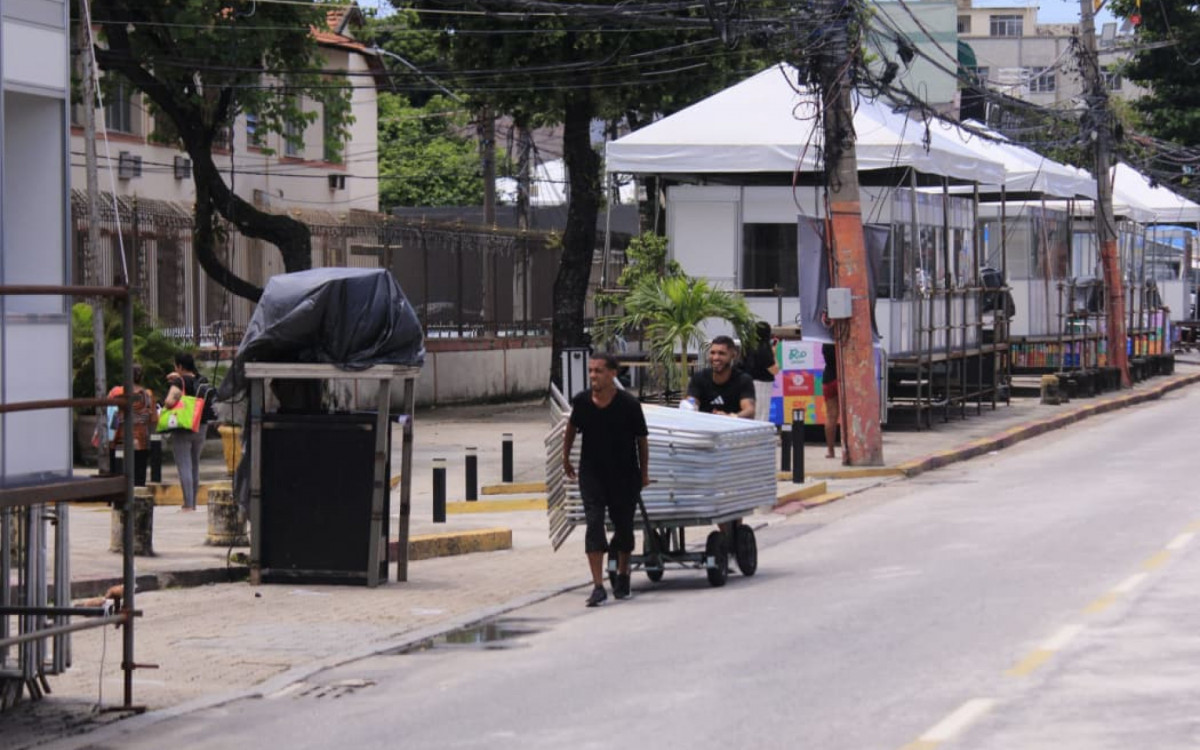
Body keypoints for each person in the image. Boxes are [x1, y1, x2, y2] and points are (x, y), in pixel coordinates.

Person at [562, 352, 650, 607]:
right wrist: (565, 457)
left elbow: (641, 440)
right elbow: (571, 428)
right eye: (590, 371)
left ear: (613, 374)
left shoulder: (629, 405)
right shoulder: (582, 402)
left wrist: (643, 473)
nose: (593, 376)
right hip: (592, 474)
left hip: (624, 475)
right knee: (594, 524)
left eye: (598, 371)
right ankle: (598, 585)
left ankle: (623, 574)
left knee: (623, 528)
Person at [163, 352, 214, 512]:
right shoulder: (202, 380)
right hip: (201, 426)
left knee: (184, 465)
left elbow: (170, 401)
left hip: (184, 426)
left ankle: (188, 504)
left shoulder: (180, 381)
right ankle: (193, 502)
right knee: (194, 464)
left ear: (179, 366)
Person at [108, 364, 157, 486]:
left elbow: (108, 415)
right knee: (139, 479)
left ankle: (119, 501)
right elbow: (153, 419)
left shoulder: (116, 392)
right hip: (140, 442)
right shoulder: (148, 395)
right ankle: (137, 501)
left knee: (118, 477)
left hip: (119, 441)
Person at [687, 335, 756, 418]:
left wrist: (730, 417)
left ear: (733, 355)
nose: (716, 358)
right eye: (712, 353)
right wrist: (689, 406)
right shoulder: (699, 377)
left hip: (733, 428)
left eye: (721, 353)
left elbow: (749, 410)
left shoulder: (743, 380)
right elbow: (691, 402)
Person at [739, 322, 779, 422]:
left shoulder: (748, 345)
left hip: (747, 382)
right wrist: (774, 353)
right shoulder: (764, 348)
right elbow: (774, 370)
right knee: (761, 412)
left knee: (751, 411)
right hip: (762, 384)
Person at [822, 342, 840, 459]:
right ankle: (849, 449)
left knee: (830, 416)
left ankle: (830, 451)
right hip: (843, 378)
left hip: (828, 378)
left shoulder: (825, 342)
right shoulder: (843, 339)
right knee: (849, 415)